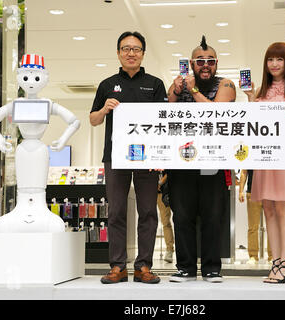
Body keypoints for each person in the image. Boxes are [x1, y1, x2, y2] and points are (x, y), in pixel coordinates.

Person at [90, 31, 167, 284]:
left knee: (148, 211)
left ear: (143, 53)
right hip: (115, 157)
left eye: (136, 49)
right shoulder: (107, 84)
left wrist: (160, 157)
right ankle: (118, 267)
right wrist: (104, 109)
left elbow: (163, 122)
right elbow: (93, 120)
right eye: (126, 48)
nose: (131, 53)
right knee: (117, 212)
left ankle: (143, 266)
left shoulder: (155, 84)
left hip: (147, 159)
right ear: (118, 53)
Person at [167, 36, 236, 283]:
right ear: (191, 63)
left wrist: (193, 89)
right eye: (199, 61)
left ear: (216, 63)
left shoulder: (226, 84)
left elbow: (216, 113)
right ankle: (185, 267)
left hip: (213, 162)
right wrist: (176, 89)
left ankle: (211, 268)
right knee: (182, 216)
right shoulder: (179, 84)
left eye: (210, 61)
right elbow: (165, 111)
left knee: (212, 216)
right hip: (182, 161)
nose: (205, 65)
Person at [241, 42, 285, 284]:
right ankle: (276, 261)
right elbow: (254, 121)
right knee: (268, 207)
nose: (275, 64)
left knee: (282, 208)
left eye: (279, 59)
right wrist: (250, 99)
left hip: (284, 155)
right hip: (265, 155)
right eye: (270, 60)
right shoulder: (260, 91)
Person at [238, 169, 273, 265]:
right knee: (253, 227)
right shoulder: (250, 154)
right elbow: (244, 172)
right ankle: (253, 256)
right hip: (252, 191)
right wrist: (241, 191)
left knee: (271, 227)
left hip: (269, 193)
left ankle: (272, 255)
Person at [157, 173, 174, 263]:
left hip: (164, 191)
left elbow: (169, 171)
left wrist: (160, 183)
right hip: (151, 190)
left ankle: (169, 250)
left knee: (166, 221)